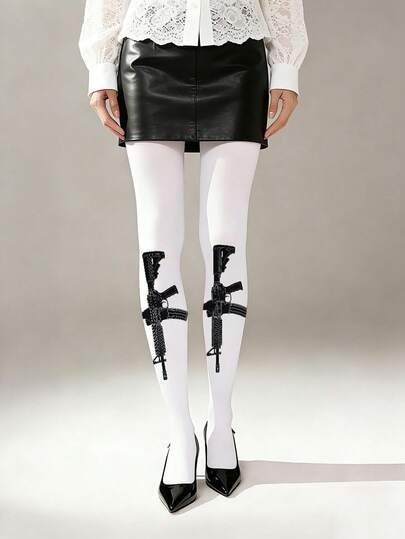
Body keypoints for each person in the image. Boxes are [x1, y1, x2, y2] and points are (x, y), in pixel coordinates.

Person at [78, 0, 308, 513]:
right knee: (156, 246)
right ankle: (179, 431)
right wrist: (99, 66)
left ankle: (221, 422)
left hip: (239, 58)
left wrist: (287, 66)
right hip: (147, 58)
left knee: (227, 242)